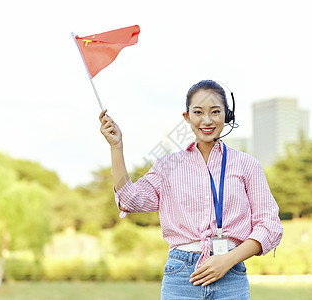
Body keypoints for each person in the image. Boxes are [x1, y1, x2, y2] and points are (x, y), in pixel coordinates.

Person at [99, 80, 283, 299]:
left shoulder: (247, 165)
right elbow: (130, 200)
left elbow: (269, 225)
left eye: (215, 112)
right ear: (187, 117)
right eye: (198, 112)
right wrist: (116, 148)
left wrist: (228, 260)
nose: (207, 120)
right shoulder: (167, 166)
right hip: (181, 275)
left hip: (231, 275)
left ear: (227, 115)